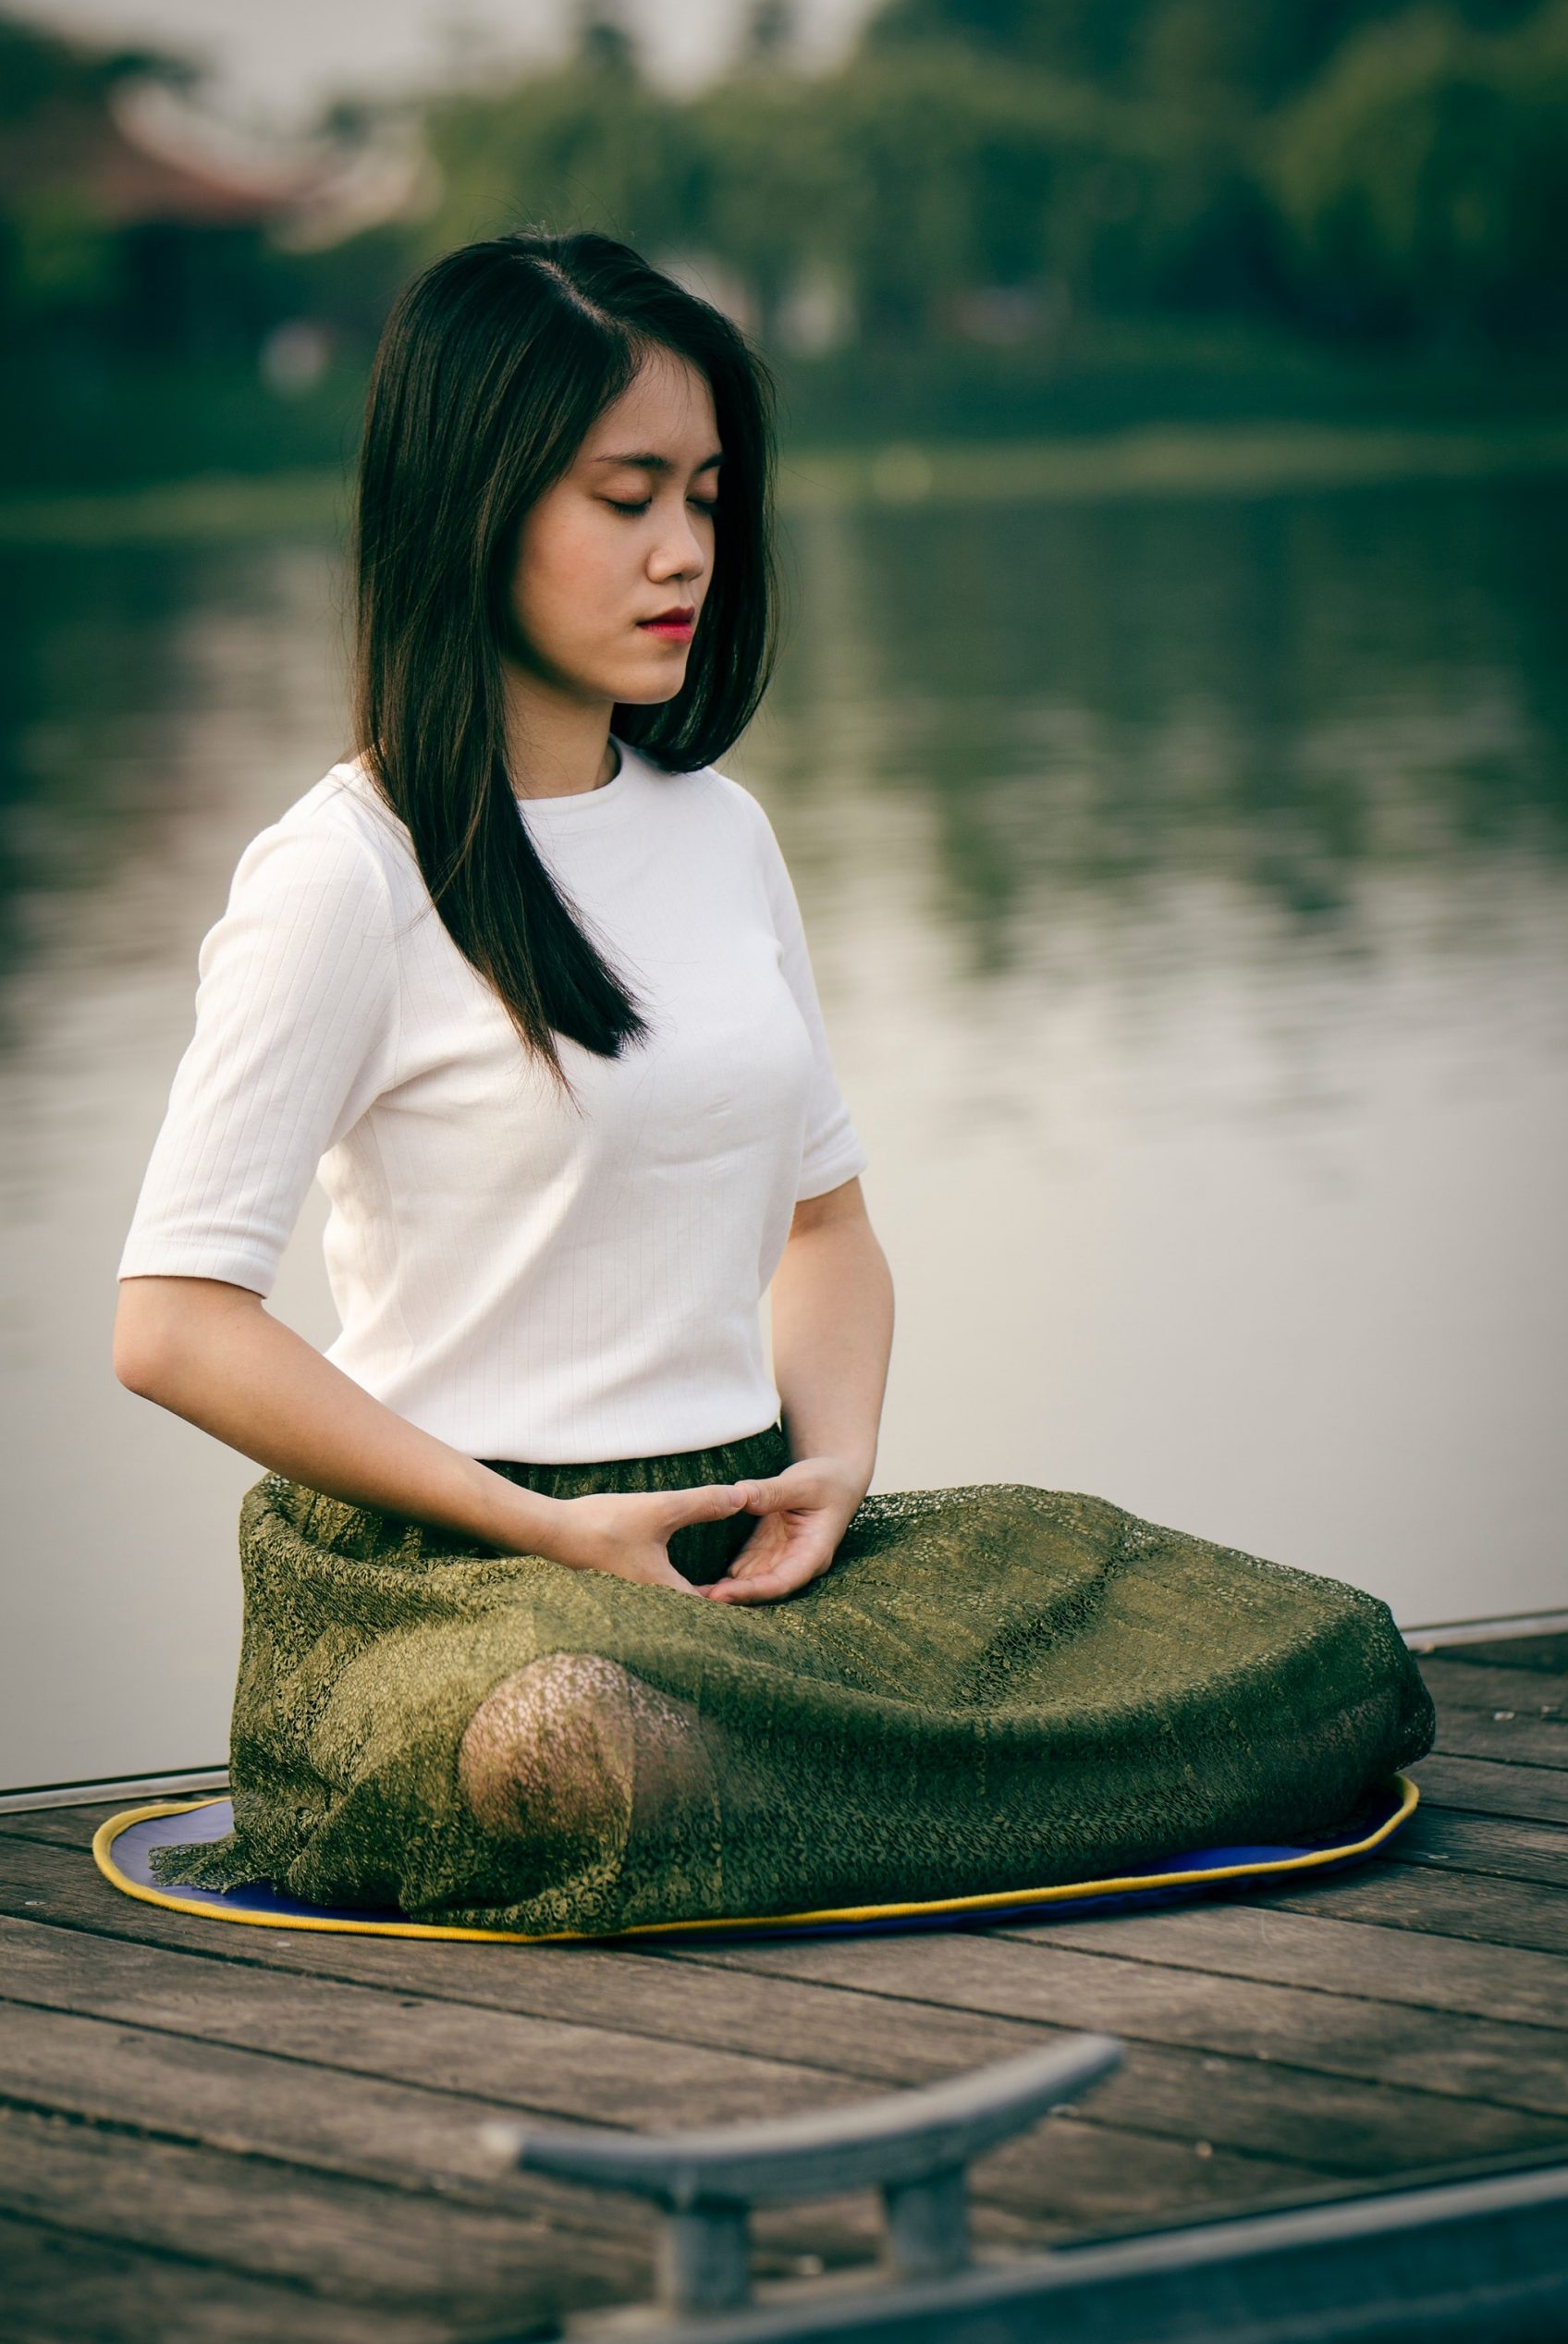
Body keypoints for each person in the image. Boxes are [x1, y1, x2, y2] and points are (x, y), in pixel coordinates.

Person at [113, 232, 1432, 1937]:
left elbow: (828, 1232)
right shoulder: (343, 876)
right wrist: (535, 1526)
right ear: (475, 500)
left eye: (710, 499)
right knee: (587, 1741)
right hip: (461, 1593)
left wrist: (834, 1468)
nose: (685, 554)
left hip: (745, 1557)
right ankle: (864, 1782)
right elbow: (172, 1322)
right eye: (628, 496)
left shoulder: (719, 837)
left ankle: (834, 1778)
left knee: (1316, 1652)